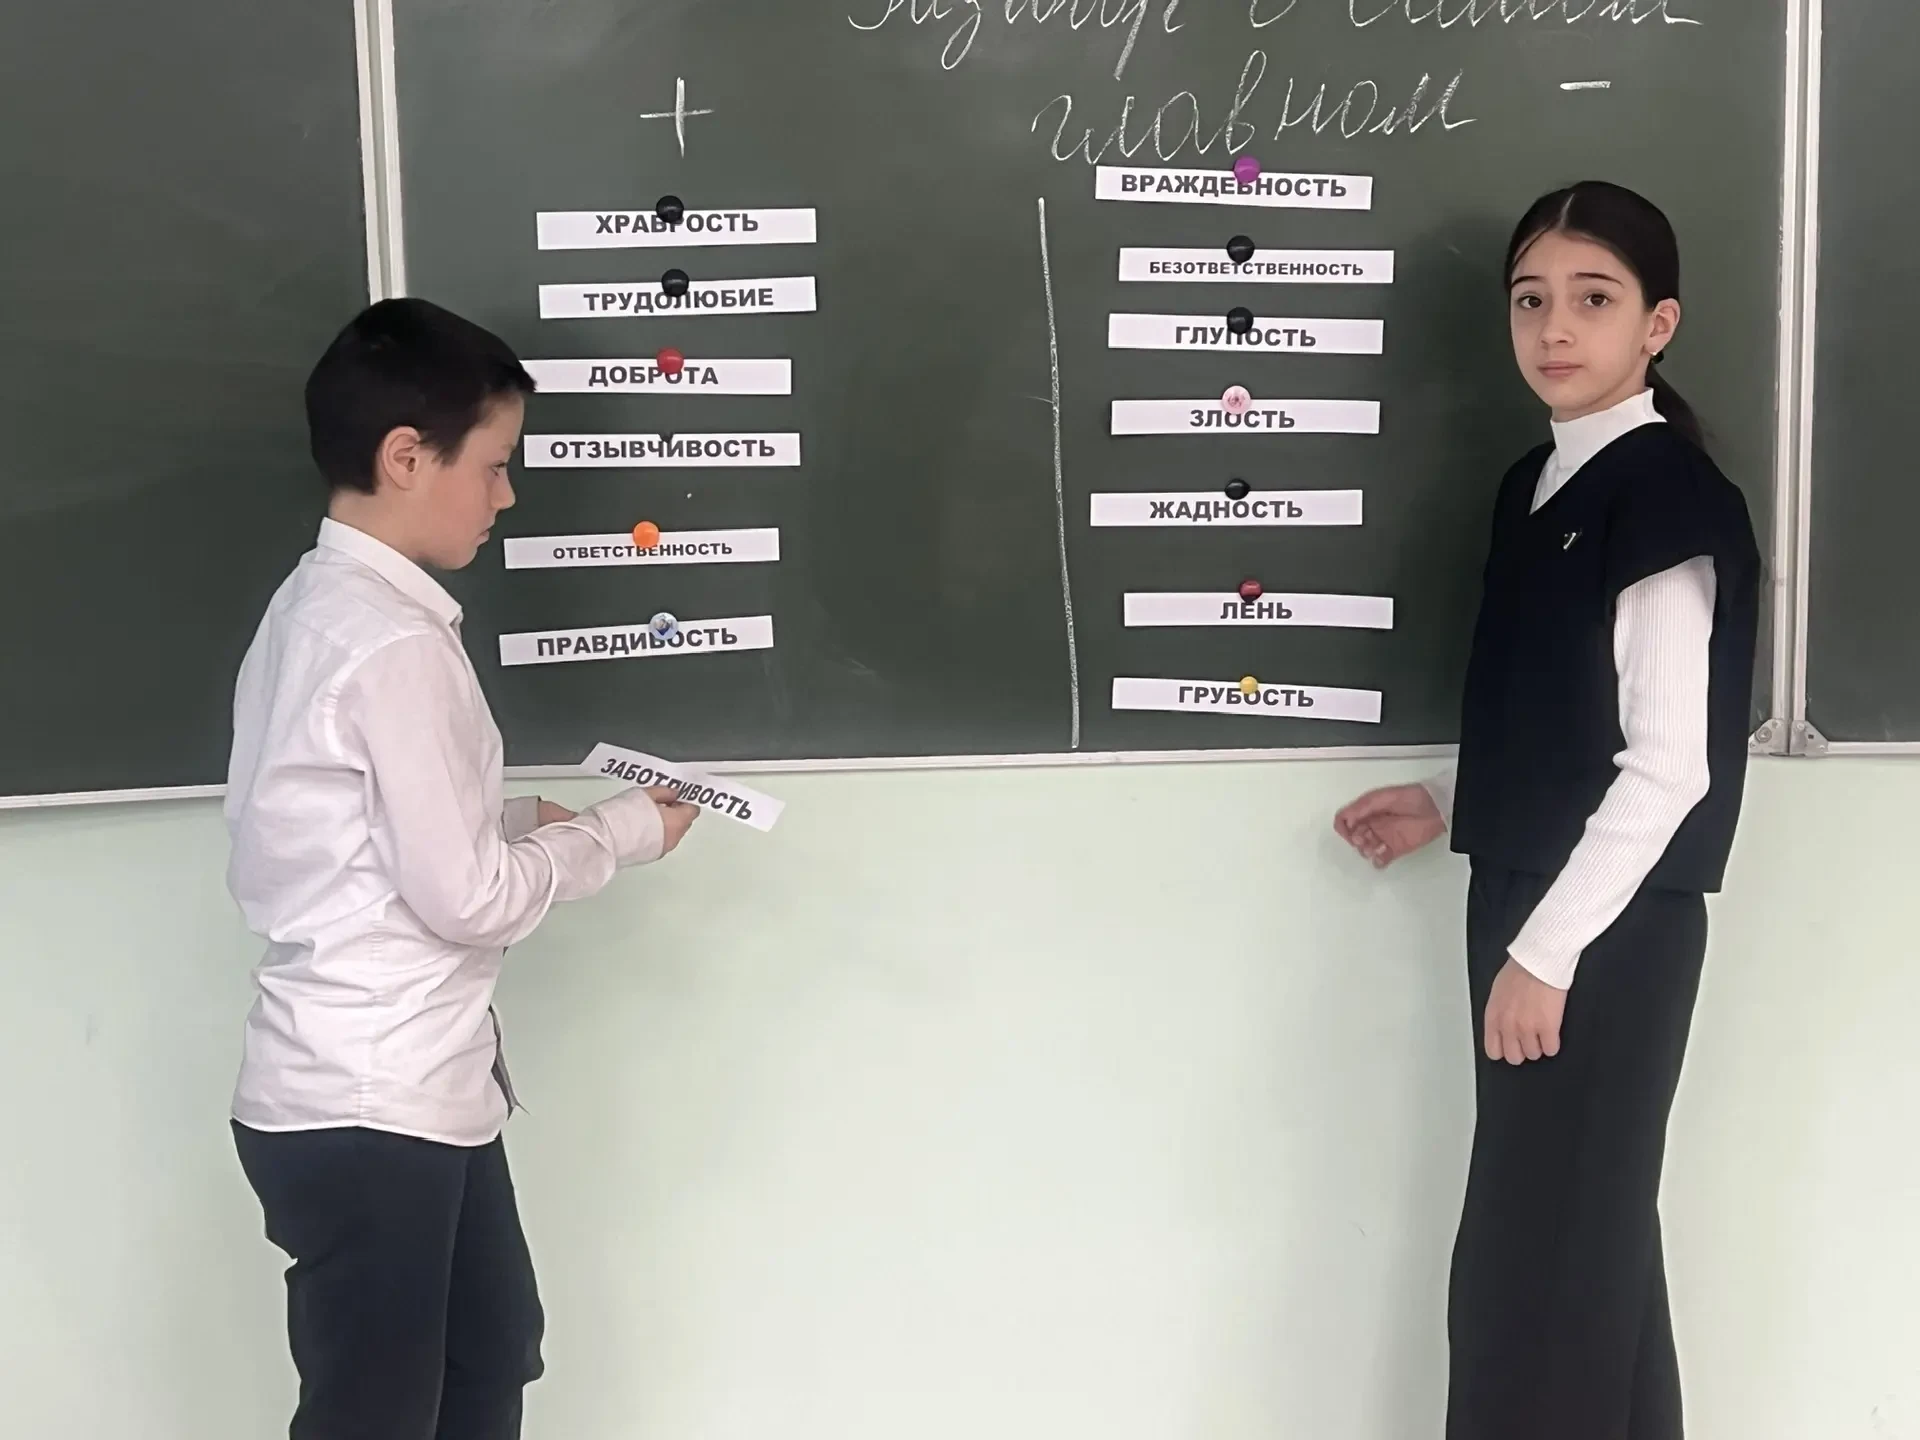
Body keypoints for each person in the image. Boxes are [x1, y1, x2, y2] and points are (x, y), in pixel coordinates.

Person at [224, 296, 699, 1439]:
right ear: (405, 457)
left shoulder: (321, 605)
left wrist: (529, 815)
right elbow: (467, 897)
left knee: (489, 1351)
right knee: (382, 1411)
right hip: (371, 1099)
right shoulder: (390, 643)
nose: (507, 496)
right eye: (492, 465)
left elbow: (361, 820)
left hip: (413, 1092)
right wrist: (618, 835)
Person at [1334, 182, 1760, 1439]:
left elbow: (1669, 766)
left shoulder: (1665, 495)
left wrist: (1546, 952)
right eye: (1531, 300)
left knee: (1536, 1277)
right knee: (1588, 1262)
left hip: (1604, 933)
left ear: (1657, 324)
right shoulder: (1537, 482)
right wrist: (1447, 800)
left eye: (1593, 298)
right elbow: (1566, 718)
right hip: (1532, 902)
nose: (1555, 327)